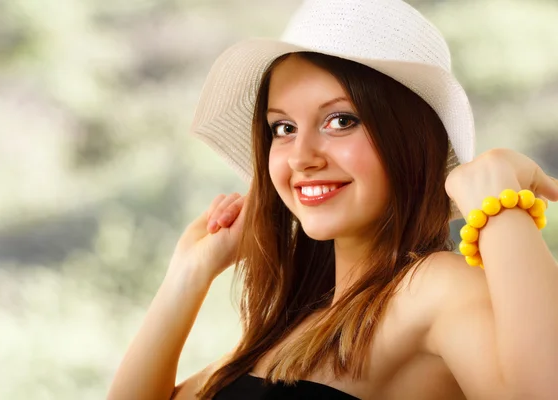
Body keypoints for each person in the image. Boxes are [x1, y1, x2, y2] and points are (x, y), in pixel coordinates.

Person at [107, 0, 558, 399]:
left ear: (409, 140)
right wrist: (187, 276)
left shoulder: (433, 287)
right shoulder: (291, 329)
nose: (301, 157)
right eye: (282, 128)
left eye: (340, 120)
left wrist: (502, 208)